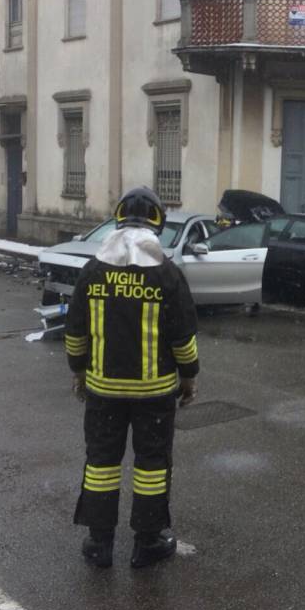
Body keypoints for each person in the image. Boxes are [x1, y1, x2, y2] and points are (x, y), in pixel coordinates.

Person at [65, 186, 200, 569]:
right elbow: (183, 337)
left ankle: (99, 543)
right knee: (152, 466)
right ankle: (147, 542)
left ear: (118, 220)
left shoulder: (93, 271)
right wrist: (189, 378)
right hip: (155, 394)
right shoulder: (167, 274)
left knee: (102, 463)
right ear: (157, 224)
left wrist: (78, 372)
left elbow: (75, 332)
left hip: (103, 391)